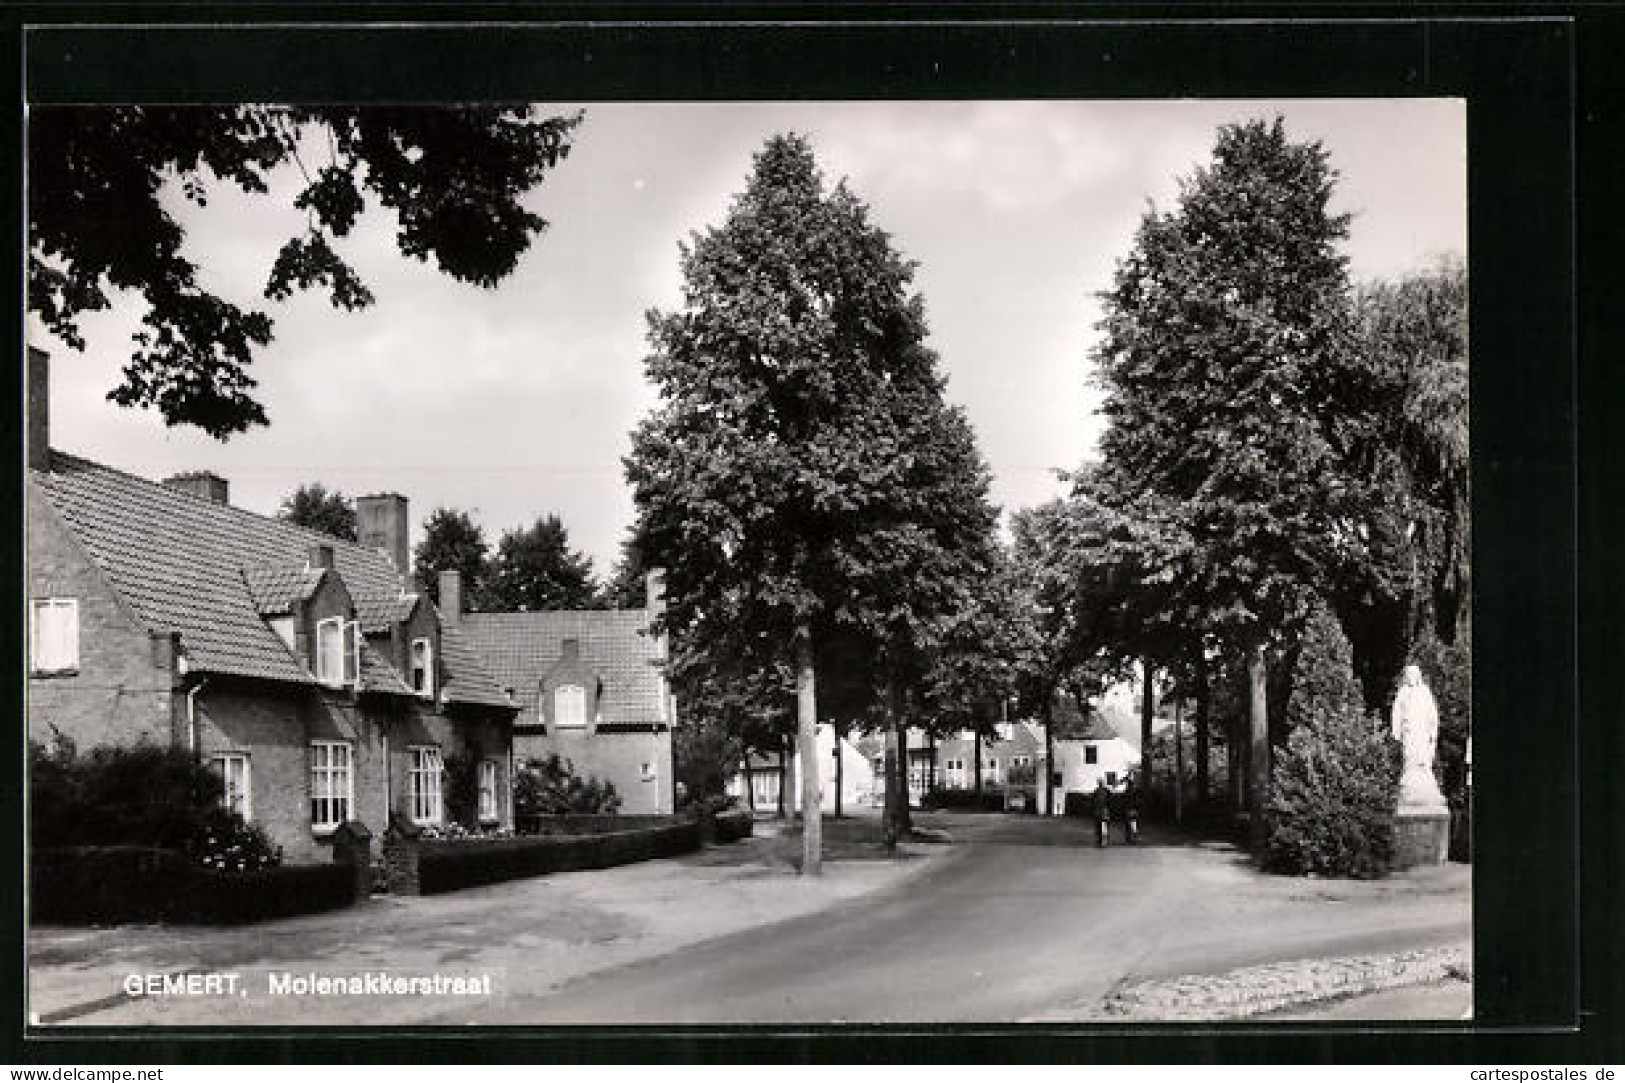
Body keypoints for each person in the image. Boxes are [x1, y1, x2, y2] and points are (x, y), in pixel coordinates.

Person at [1092, 779, 1112, 847]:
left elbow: (1093, 800)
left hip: (1098, 810)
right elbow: (1110, 799)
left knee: (1098, 825)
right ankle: (1105, 840)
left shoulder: (1096, 791)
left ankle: (1099, 840)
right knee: (1105, 825)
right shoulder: (1106, 790)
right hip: (1105, 810)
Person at [1120, 775, 1140, 845]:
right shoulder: (1136, 791)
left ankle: (1128, 840)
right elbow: (1138, 801)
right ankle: (1135, 839)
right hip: (1134, 810)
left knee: (1128, 825)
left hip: (1128, 809)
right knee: (1134, 824)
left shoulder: (1127, 791)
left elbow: (1123, 800)